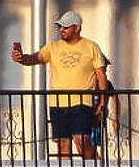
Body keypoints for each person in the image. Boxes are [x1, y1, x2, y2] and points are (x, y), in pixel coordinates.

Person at [11, 10, 114, 159]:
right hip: (58, 103)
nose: (61, 30)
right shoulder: (53, 47)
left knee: (82, 140)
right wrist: (21, 58)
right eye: (60, 27)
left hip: (82, 102)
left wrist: (103, 101)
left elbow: (101, 75)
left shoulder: (91, 47)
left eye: (65, 27)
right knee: (62, 144)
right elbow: (34, 58)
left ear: (77, 28)